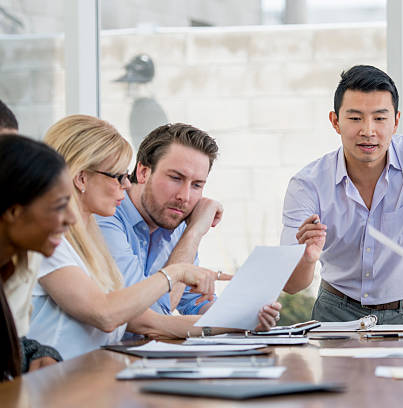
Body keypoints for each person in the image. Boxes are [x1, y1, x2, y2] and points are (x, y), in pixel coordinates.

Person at [28, 115, 280, 359]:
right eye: (117, 177)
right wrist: (177, 270)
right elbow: (109, 314)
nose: (126, 185)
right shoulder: (51, 241)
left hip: (93, 376)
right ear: (82, 178)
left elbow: (152, 321)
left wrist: (242, 319)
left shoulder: (89, 237)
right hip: (57, 383)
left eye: (196, 185)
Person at [280, 65, 403, 324]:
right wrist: (307, 259)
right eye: (355, 118)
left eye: (380, 118)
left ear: (396, 121)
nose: (368, 130)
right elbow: (292, 285)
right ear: (335, 122)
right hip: (335, 313)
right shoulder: (307, 184)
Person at [96, 123, 228, 317]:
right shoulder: (106, 216)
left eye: (197, 185)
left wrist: (246, 316)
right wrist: (194, 233)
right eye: (175, 178)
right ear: (142, 172)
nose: (185, 196)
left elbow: (195, 302)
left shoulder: (174, 220)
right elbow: (151, 312)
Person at [0, 134, 76, 381]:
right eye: (59, 205)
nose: (71, 219)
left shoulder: (15, 264)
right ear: (14, 211)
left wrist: (38, 353)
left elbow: (12, 343)